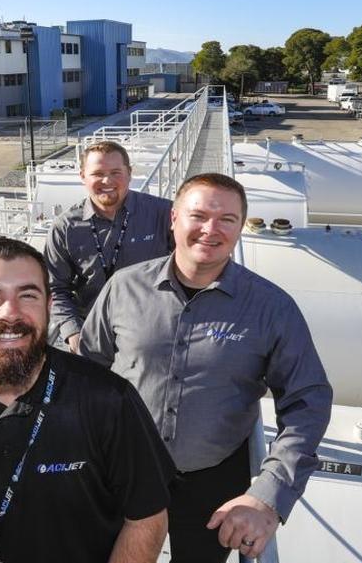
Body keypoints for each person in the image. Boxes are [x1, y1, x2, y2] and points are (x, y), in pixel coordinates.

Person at [80, 173, 333, 563]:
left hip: (212, 484)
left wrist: (269, 495)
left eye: (227, 220)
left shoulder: (272, 308)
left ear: (240, 228)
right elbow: (87, 374)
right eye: (197, 216)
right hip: (121, 472)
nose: (210, 230)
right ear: (174, 219)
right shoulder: (123, 288)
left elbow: (308, 401)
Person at [0, 237, 174, 563]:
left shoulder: (109, 400)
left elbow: (146, 517)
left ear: (48, 307)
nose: (10, 313)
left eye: (27, 295)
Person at [45, 141, 173, 353]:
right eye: (97, 173)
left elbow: (190, 265)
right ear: (83, 176)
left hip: (153, 335)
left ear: (129, 173)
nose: (107, 181)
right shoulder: (65, 228)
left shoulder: (163, 213)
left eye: (116, 172)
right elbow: (56, 288)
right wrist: (73, 333)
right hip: (92, 338)